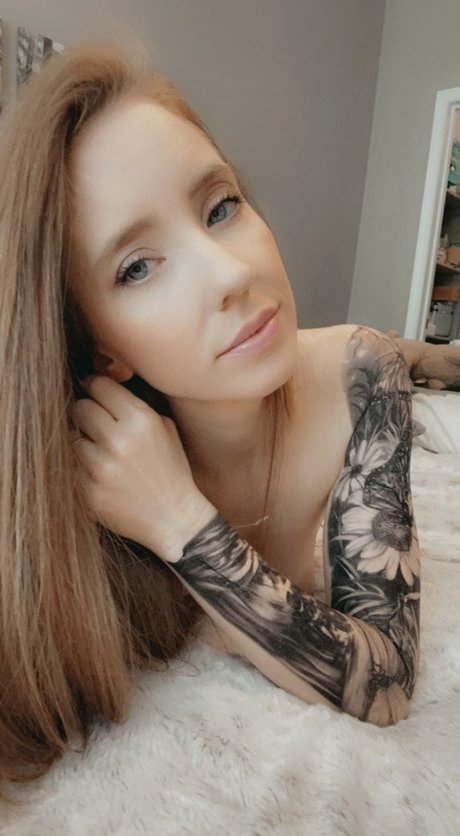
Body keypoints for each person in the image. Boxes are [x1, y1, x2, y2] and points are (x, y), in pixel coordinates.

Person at [0, 38, 420, 795]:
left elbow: (384, 681)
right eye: (137, 267)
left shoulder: (363, 374)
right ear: (98, 347)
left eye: (222, 207)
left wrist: (182, 523)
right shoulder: (86, 470)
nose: (233, 272)